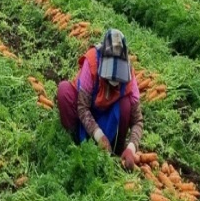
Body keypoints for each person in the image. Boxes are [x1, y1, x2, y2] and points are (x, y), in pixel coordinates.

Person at [57, 28, 143, 170]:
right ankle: (74, 141)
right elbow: (82, 107)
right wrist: (99, 136)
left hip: (109, 116)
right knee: (64, 91)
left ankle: (117, 150)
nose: (114, 82)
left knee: (126, 105)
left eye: (118, 78)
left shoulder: (129, 74)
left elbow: (137, 121)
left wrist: (131, 148)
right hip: (86, 115)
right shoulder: (92, 61)